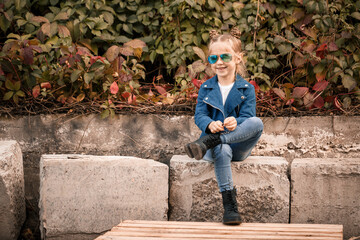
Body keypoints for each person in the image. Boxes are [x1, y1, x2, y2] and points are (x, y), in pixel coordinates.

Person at [185, 28, 264, 225]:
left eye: (225, 56)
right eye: (213, 58)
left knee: (257, 123)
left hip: (238, 145)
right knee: (221, 148)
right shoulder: (206, 87)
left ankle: (213, 140)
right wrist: (210, 124)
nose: (219, 62)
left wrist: (237, 122)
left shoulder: (247, 89)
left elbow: (248, 118)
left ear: (238, 58)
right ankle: (230, 206)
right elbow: (200, 115)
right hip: (216, 149)